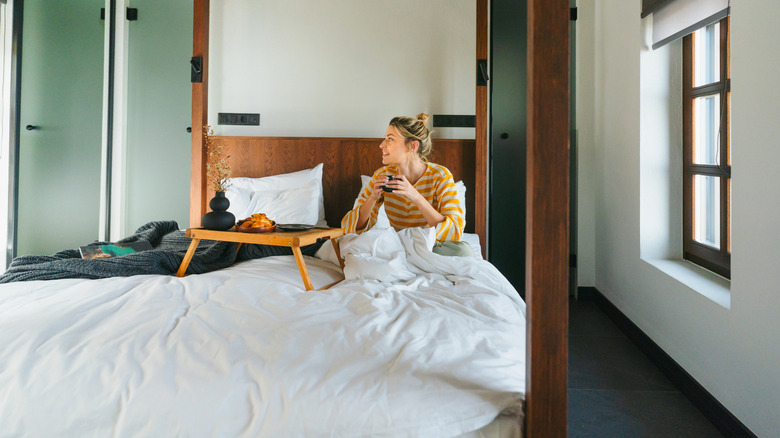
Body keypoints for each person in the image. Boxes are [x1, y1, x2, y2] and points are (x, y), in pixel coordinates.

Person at [341, 113, 473, 257]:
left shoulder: (440, 176)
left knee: (463, 252)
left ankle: (411, 261)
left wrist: (416, 196)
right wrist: (372, 198)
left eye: (390, 139)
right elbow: (349, 227)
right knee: (347, 246)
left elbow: (455, 233)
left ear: (413, 145)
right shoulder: (382, 176)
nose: (381, 145)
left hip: (432, 247)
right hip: (399, 247)